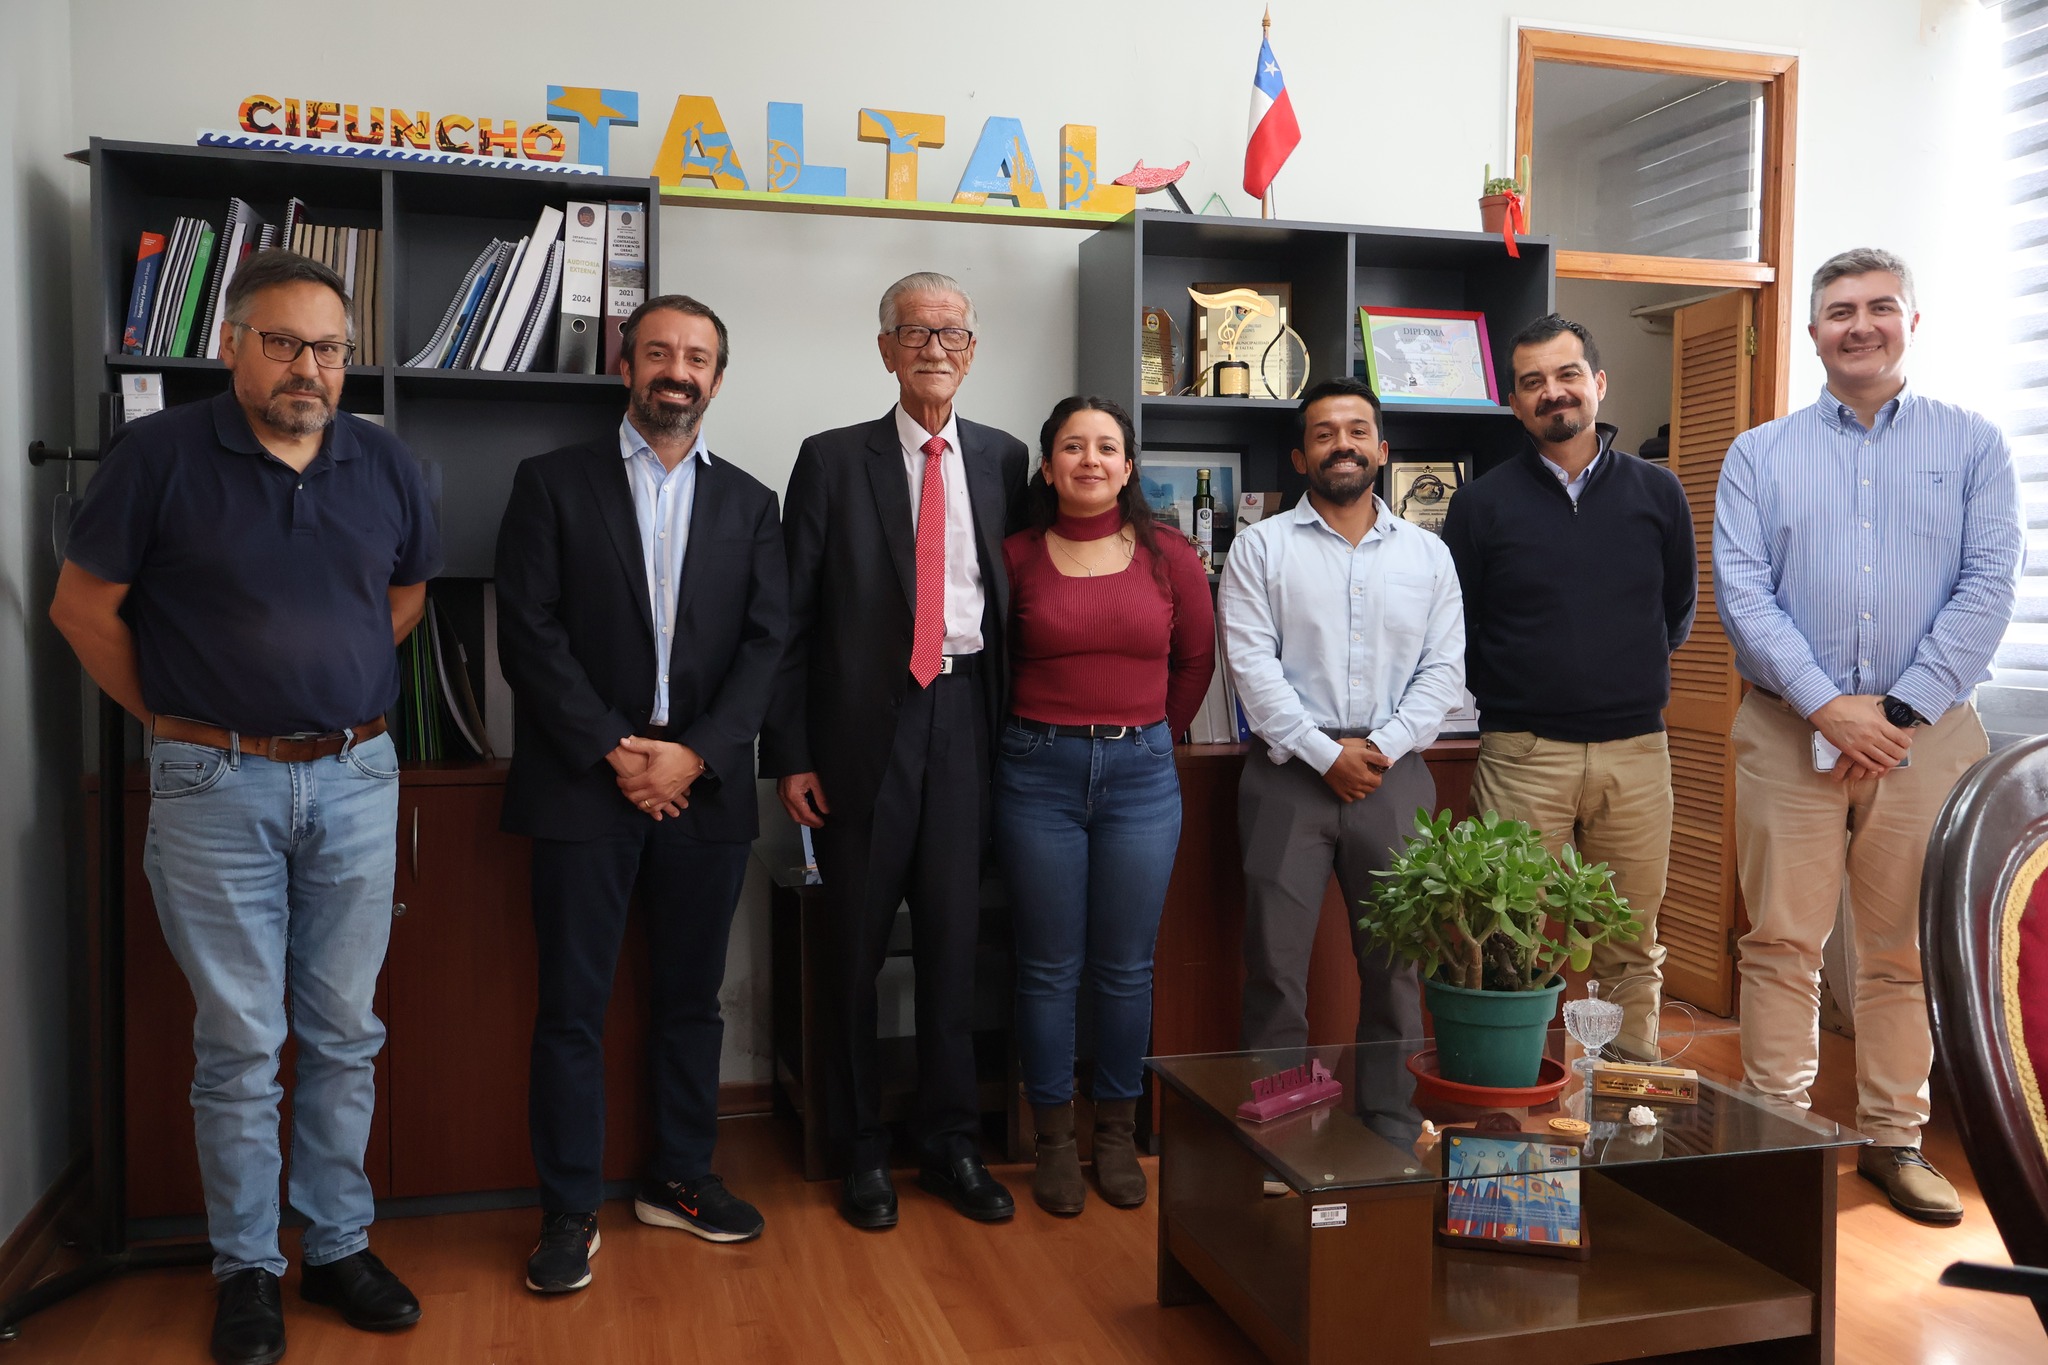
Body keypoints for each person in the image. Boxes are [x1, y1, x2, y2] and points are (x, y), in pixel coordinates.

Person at [51, 250, 438, 1365]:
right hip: (213, 784)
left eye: (329, 348)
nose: (308, 367)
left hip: (359, 779)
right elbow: (82, 612)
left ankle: (338, 1247)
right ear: (232, 346)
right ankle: (248, 1269)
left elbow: (402, 597)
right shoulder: (157, 457)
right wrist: (177, 719)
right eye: (283, 343)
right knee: (238, 1042)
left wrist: (331, 694)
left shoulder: (386, 463)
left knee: (345, 1034)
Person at [1715, 247, 2022, 1226]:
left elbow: (1986, 590)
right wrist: (1823, 705)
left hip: (1924, 736)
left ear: (1909, 323)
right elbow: (1741, 596)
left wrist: (1892, 715)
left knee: (1897, 950)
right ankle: (1772, 1138)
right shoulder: (1757, 455)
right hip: (1784, 729)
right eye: (1838, 310)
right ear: (1810, 334)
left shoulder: (1972, 446)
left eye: (1878, 308)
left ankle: (1893, 1139)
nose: (1858, 325)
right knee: (1778, 943)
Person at [494, 295, 787, 1292]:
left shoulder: (751, 504)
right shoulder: (550, 485)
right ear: (626, 365)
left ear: (716, 377)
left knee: (688, 1004)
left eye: (697, 356)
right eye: (659, 350)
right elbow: (527, 634)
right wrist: (617, 753)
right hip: (585, 785)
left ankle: (680, 1178)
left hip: (701, 791)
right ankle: (568, 1210)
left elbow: (764, 647)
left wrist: (693, 756)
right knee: (571, 1010)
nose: (678, 369)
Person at [761, 272, 1029, 1229]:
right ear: (884, 349)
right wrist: (789, 752)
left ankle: (951, 1142)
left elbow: (1025, 599)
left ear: (973, 349)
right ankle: (859, 1148)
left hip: (966, 724)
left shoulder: (1005, 459)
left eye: (953, 334)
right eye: (915, 332)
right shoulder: (832, 461)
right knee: (854, 952)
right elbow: (791, 620)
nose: (935, 348)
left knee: (957, 948)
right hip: (859, 734)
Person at [1441, 314, 1695, 1058]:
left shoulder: (1658, 493)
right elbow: (1462, 624)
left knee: (1628, 937)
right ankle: (1509, 1111)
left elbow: (1674, 612)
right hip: (1523, 751)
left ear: (1598, 384)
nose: (1553, 393)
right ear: (1516, 404)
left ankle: (1626, 1099)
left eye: (1567, 375)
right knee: (1504, 932)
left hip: (1636, 754)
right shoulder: (1480, 506)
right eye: (1533, 383)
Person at [996, 397, 1214, 1215]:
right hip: (1036, 773)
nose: (1090, 460)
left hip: (1141, 775)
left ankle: (1116, 1133)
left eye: (1107, 447)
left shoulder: (1172, 558)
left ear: (1128, 468)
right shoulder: (1014, 556)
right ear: (1049, 466)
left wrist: (1150, 737)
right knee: (1048, 969)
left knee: (1126, 969)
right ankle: (1055, 1138)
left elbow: (1195, 663)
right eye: (1072, 447)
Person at [1219, 376, 1465, 1054]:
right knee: (1274, 966)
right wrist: (1326, 755)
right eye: (1323, 434)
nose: (1341, 445)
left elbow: (1443, 672)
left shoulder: (1428, 555)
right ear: (1300, 458)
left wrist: (1376, 749)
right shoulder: (1260, 548)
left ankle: (1389, 1125)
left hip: (1396, 775)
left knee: (1398, 967)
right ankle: (1280, 1137)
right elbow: (1251, 669)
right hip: (1288, 776)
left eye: (1356, 431)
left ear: (1381, 450)